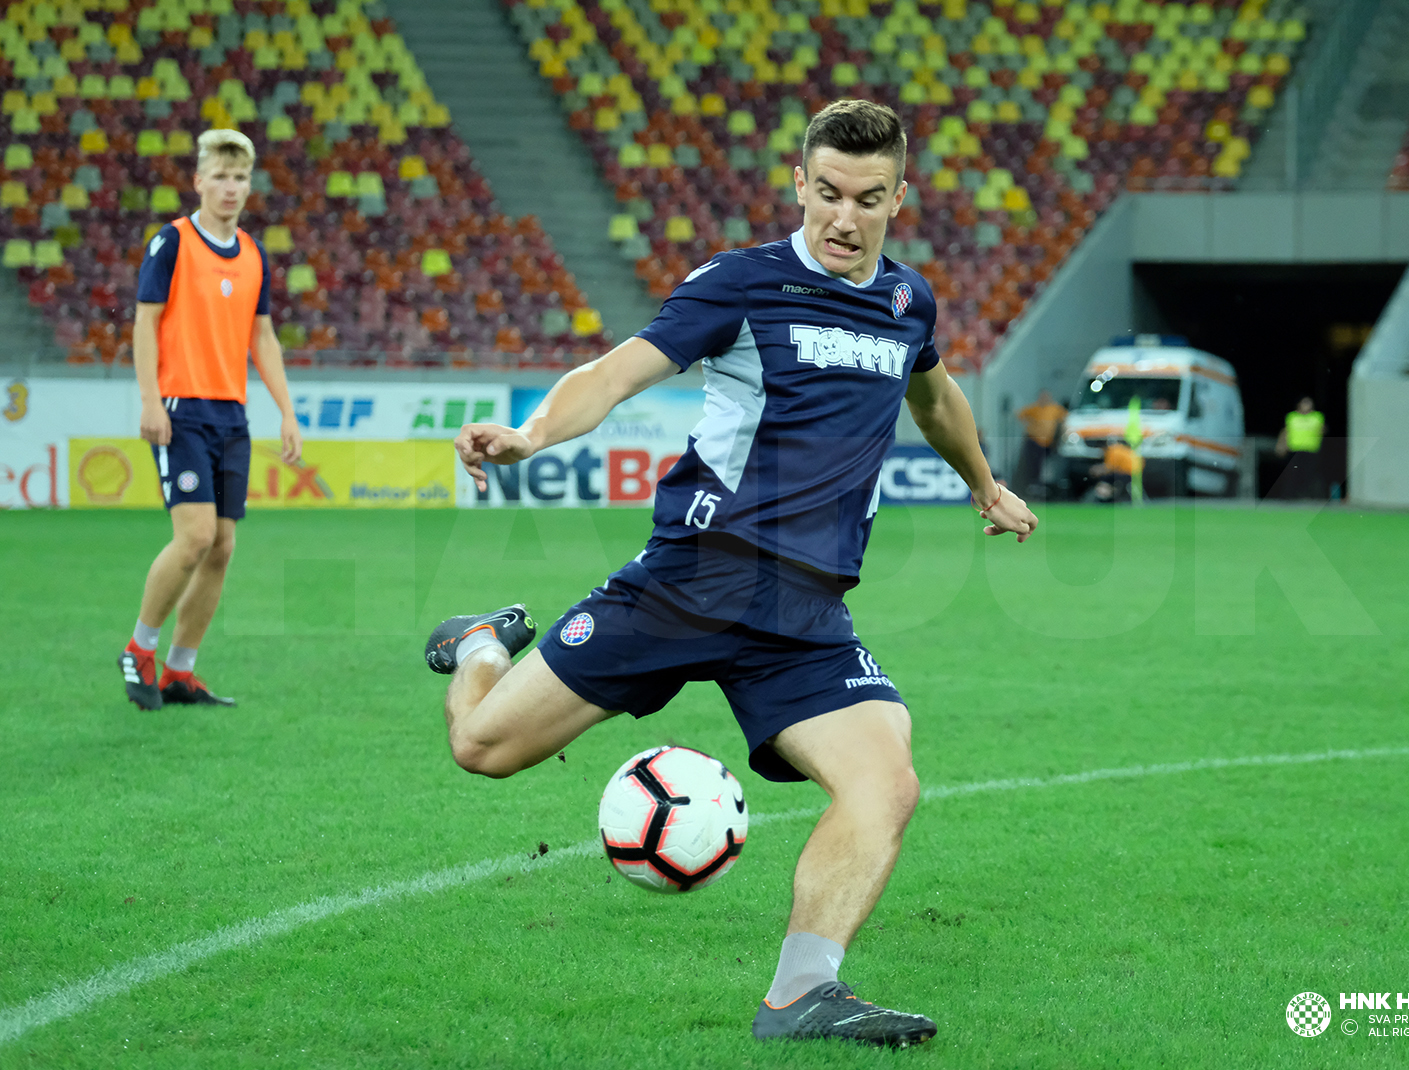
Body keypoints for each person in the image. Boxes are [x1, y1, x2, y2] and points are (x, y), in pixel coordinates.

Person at [425, 99, 1037, 1047]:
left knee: (888, 783)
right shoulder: (741, 285)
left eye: (867, 199)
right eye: (827, 193)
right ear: (799, 184)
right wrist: (531, 434)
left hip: (805, 613)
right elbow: (615, 372)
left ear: (898, 198)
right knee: (483, 749)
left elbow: (935, 390)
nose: (844, 216)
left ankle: (802, 995)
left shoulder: (906, 302)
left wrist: (986, 485)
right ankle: (475, 646)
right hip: (690, 581)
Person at [118, 129, 302, 709]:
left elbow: (262, 336)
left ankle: (180, 671)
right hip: (180, 407)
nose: (230, 187)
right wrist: (149, 399)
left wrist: (287, 409)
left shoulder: (251, 253)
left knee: (222, 546)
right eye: (220, 177)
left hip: (231, 414)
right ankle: (139, 648)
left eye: (240, 178)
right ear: (198, 181)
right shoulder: (170, 243)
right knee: (195, 535)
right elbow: (146, 322)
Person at [1013, 388, 1065, 498]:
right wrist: (1029, 427)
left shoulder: (1054, 409)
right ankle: (1034, 484)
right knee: (1034, 464)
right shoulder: (1034, 408)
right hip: (1035, 441)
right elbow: (1019, 415)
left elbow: (1065, 418)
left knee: (1048, 465)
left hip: (1049, 442)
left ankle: (1046, 485)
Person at [1275, 396, 1324, 500]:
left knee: (1309, 475)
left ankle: (1308, 496)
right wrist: (1281, 445)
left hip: (1311, 450)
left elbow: (1322, 430)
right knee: (1292, 474)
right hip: (1295, 450)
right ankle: (1288, 497)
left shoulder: (1317, 417)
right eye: (1304, 403)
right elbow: (1285, 432)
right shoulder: (1292, 417)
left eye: (1309, 403)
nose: (1306, 405)